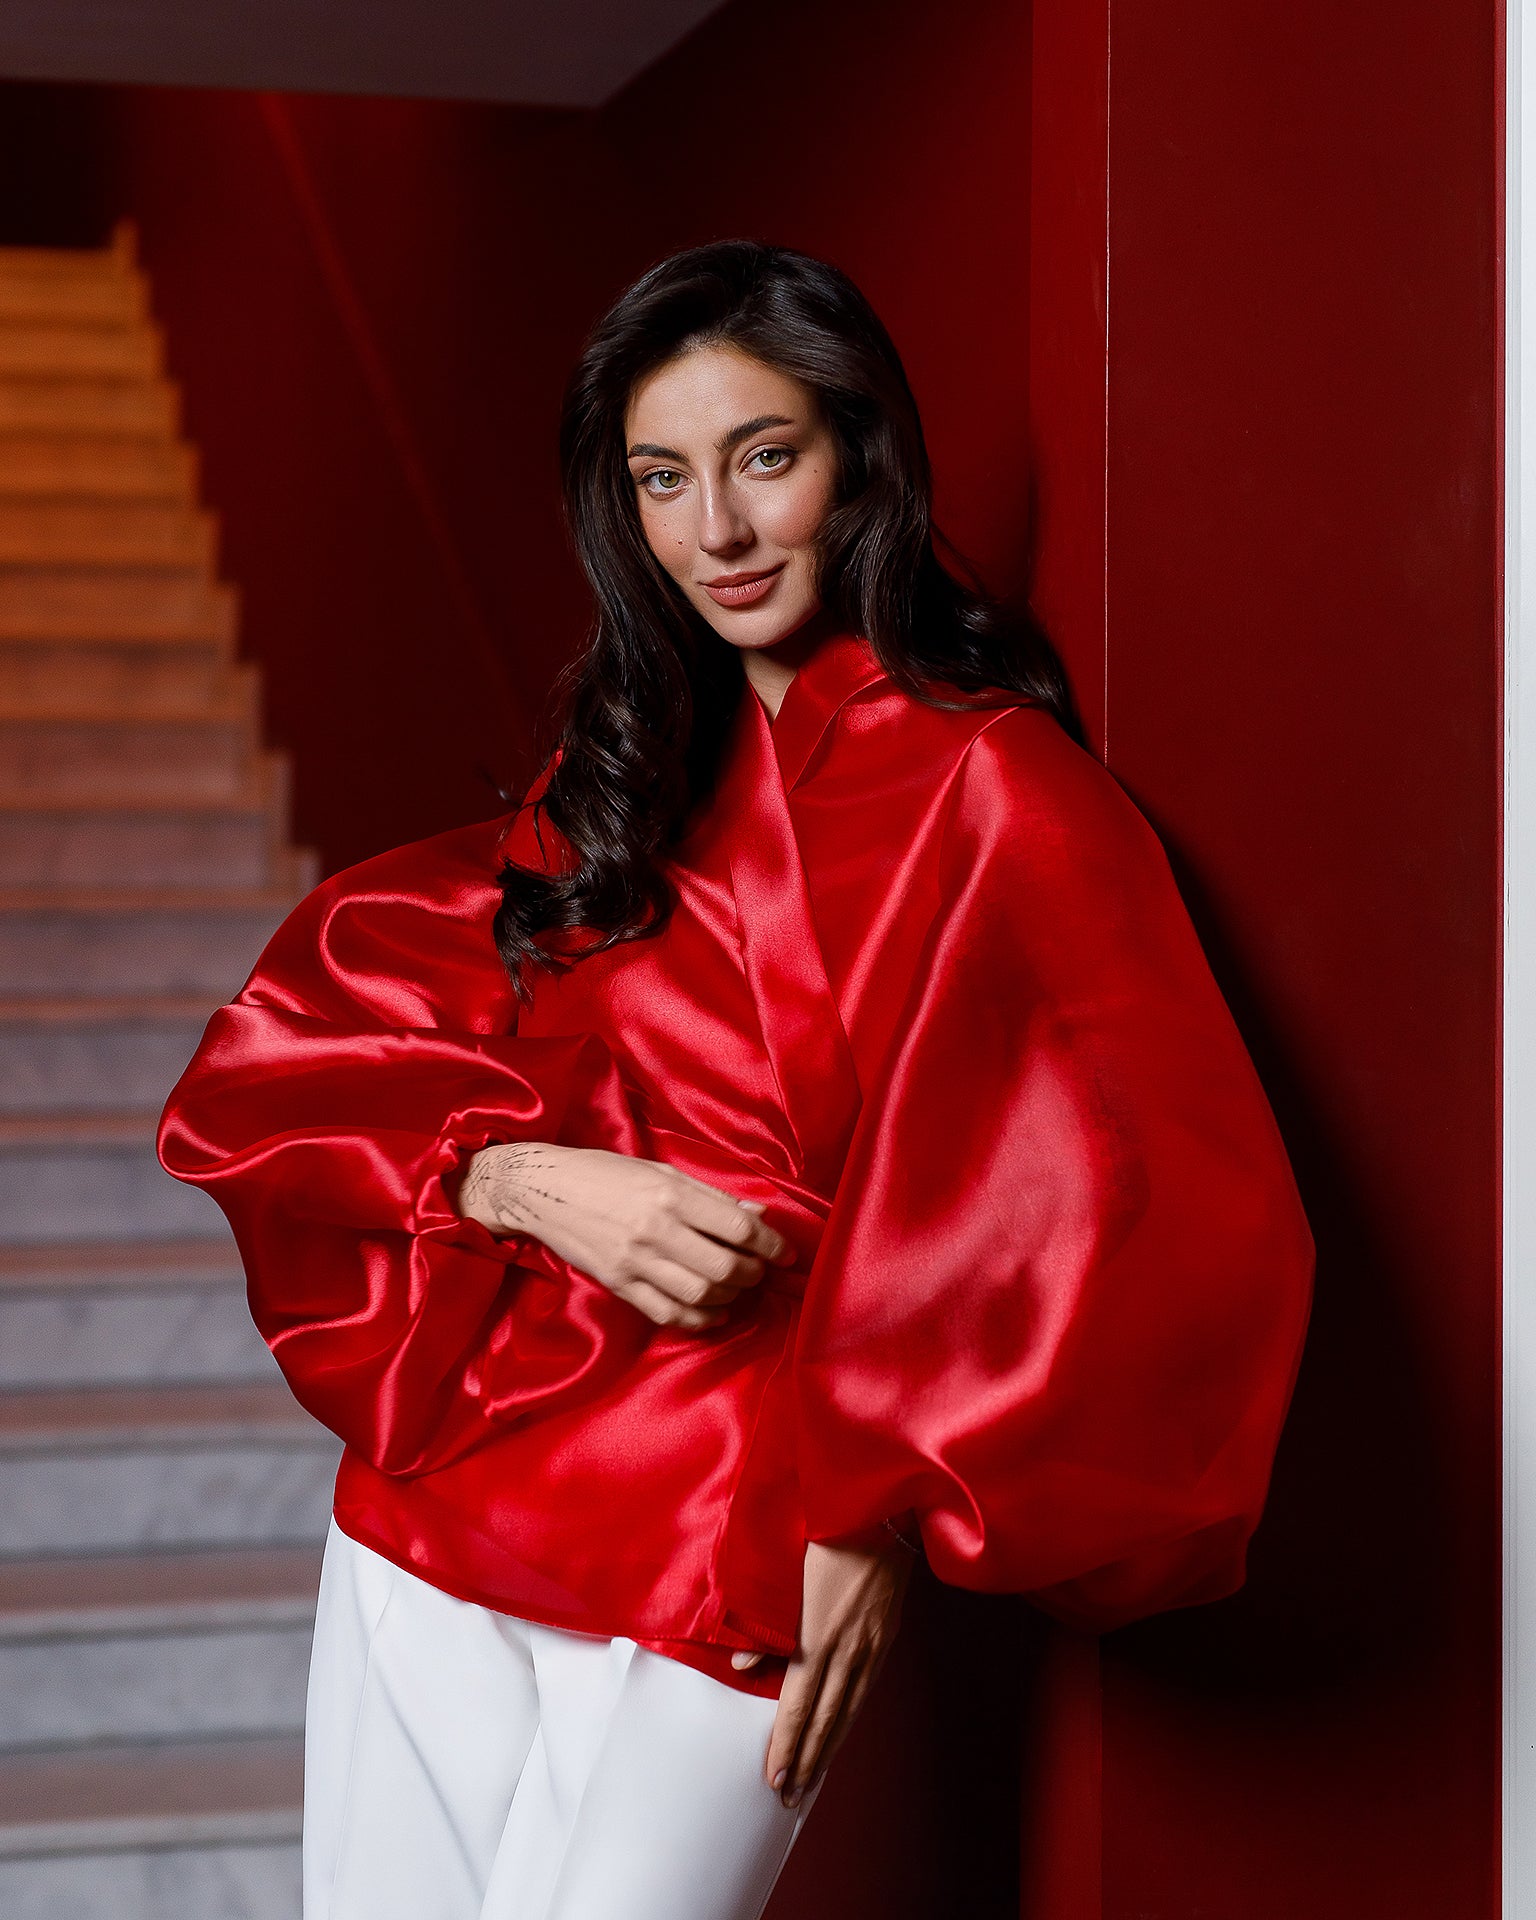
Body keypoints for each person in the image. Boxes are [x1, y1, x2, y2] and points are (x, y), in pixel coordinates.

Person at [158, 240, 1314, 1920]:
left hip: (730, 1522)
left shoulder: (993, 787)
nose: (717, 530)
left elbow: (1117, 1198)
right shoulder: (627, 774)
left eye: (765, 457)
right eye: (662, 479)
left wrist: (876, 1509)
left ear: (862, 455)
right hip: (444, 1500)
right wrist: (535, 1182)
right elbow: (302, 1052)